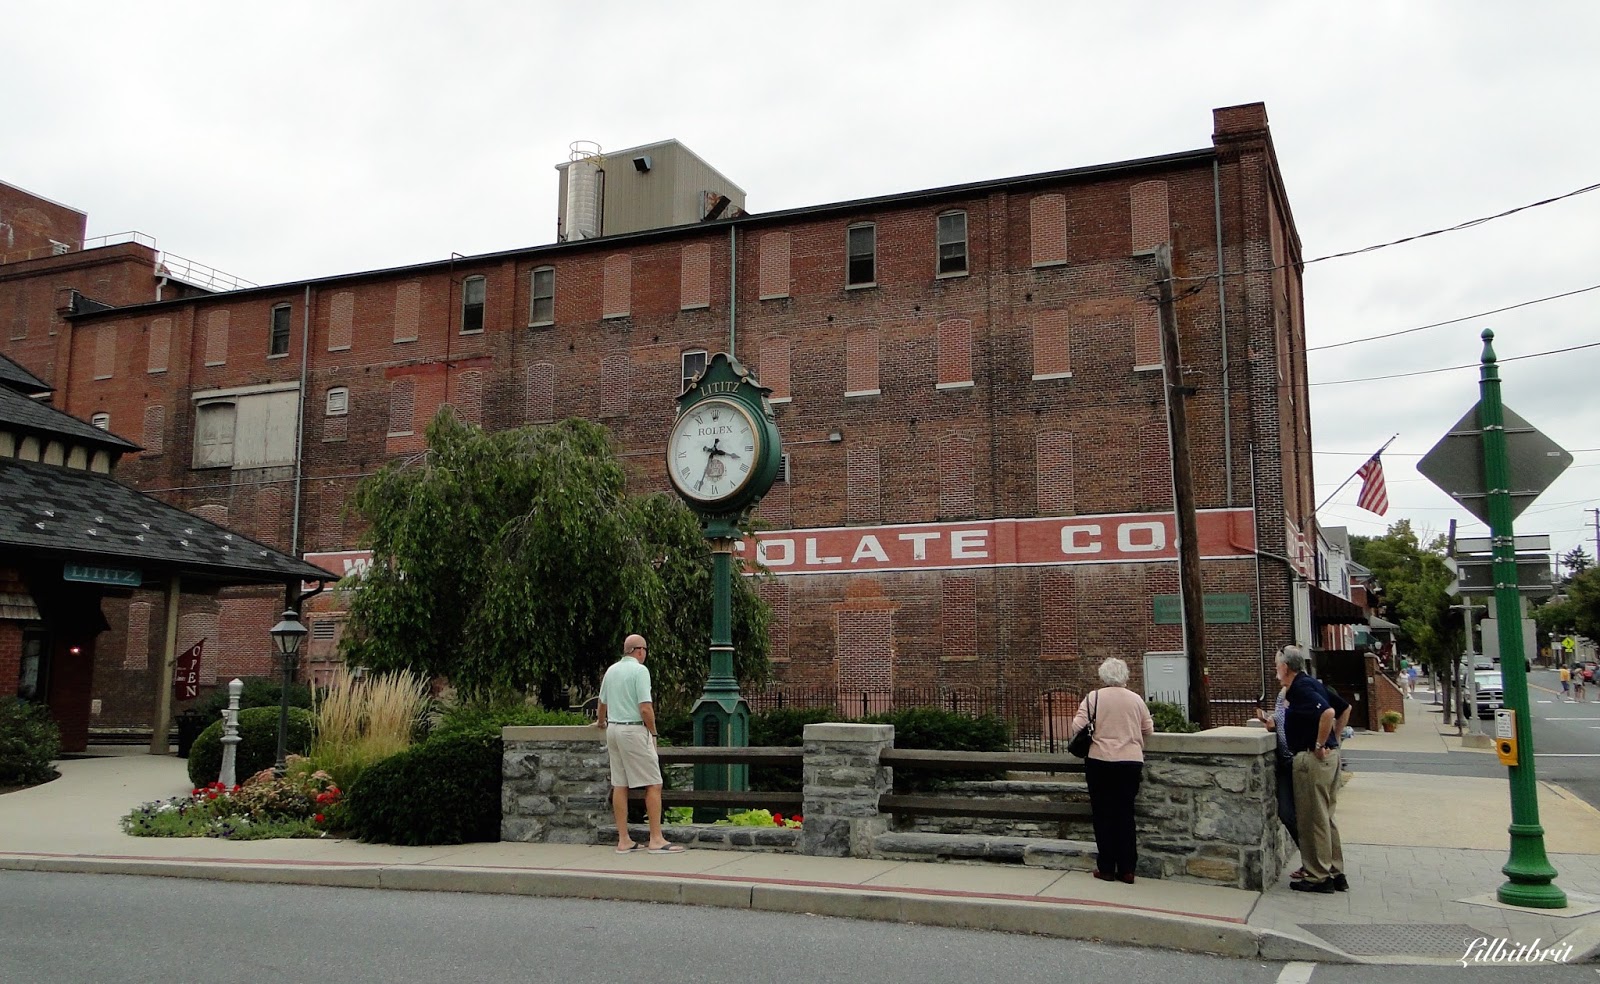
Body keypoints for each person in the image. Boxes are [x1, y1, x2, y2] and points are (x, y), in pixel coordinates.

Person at [595, 634, 684, 855]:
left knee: (620, 784)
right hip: (633, 729)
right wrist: (653, 731)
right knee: (653, 783)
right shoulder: (640, 671)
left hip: (613, 729)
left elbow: (602, 702)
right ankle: (656, 838)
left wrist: (600, 722)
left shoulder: (611, 670)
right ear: (640, 650)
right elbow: (645, 707)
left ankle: (623, 840)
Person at [1069, 657, 1154, 884]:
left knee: (1103, 814)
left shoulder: (1094, 697)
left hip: (1100, 761)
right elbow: (1148, 729)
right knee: (1125, 814)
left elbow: (1077, 726)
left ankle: (1106, 867)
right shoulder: (1135, 699)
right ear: (1125, 675)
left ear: (1103, 676)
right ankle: (1127, 869)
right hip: (1130, 762)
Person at [1277, 645, 1347, 894]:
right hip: (1330, 758)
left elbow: (1328, 712)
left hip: (1312, 759)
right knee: (1327, 817)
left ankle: (1318, 875)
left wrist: (1320, 743)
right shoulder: (1313, 683)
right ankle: (1336, 871)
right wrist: (1333, 741)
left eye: (1277, 665)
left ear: (1286, 667)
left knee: (1312, 818)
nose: (1276, 670)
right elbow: (1343, 708)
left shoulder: (1301, 688)